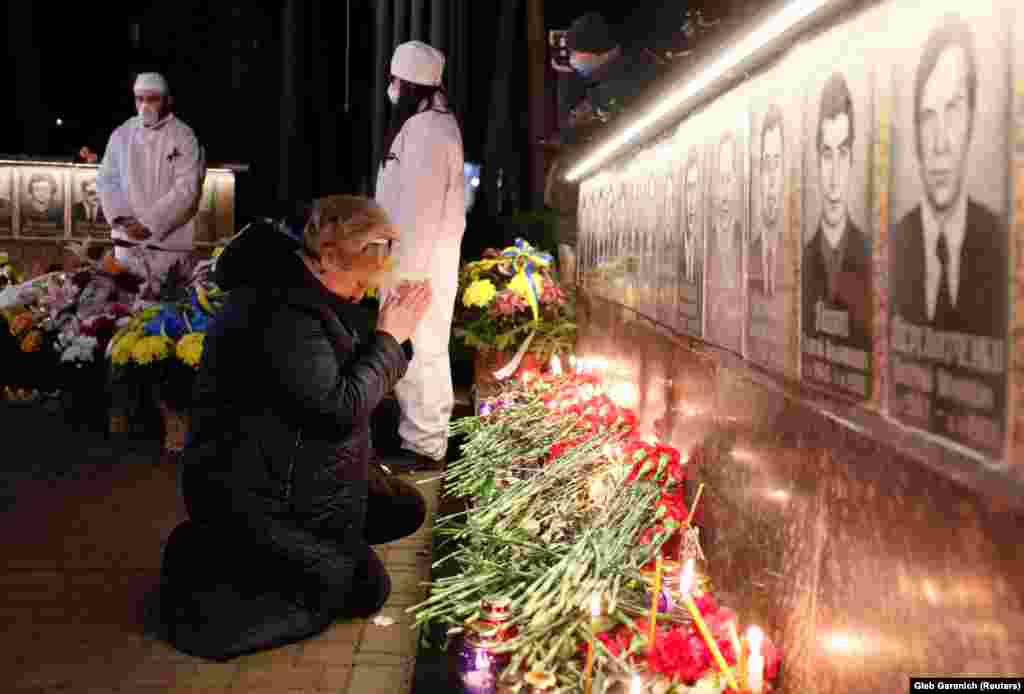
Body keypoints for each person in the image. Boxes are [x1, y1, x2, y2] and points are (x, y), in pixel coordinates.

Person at [160, 195, 433, 660]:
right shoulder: (280, 308)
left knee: (402, 509)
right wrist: (391, 338)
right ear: (327, 257)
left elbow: (349, 371)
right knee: (356, 588)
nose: (363, 293)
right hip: (252, 493)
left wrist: (393, 340)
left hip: (293, 474)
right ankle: (210, 554)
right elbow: (336, 408)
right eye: (360, 280)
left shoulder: (308, 291)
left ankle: (282, 555)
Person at [375, 40, 466, 470]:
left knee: (423, 352)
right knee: (418, 352)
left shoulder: (429, 131)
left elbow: (421, 212)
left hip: (418, 267)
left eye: (395, 80)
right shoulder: (426, 124)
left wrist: (406, 277)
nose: (390, 88)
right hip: (412, 262)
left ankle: (425, 447)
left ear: (408, 84)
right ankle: (419, 440)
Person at [892, 15, 1005, 339]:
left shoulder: (999, 243)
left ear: (971, 118)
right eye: (928, 117)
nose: (940, 144)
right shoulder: (895, 243)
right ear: (914, 132)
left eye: (952, 110)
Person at [96, 72, 205, 286]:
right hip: (126, 249)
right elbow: (107, 181)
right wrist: (123, 220)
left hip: (169, 252)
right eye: (140, 99)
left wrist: (150, 224)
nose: (145, 105)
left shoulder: (184, 137)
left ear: (168, 100)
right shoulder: (121, 134)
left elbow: (187, 189)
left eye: (153, 99)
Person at [802, 72, 872, 357]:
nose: (834, 173)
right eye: (826, 154)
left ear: (852, 158)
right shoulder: (803, 257)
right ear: (817, 160)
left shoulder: (870, 255)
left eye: (842, 153)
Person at [564, 12, 660, 126]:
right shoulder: (595, 88)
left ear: (603, 53)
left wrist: (594, 106)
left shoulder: (641, 69)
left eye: (576, 52)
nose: (572, 60)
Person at [752, 105, 785, 297]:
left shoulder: (792, 252)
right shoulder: (750, 249)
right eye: (766, 164)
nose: (772, 178)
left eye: (777, 163)